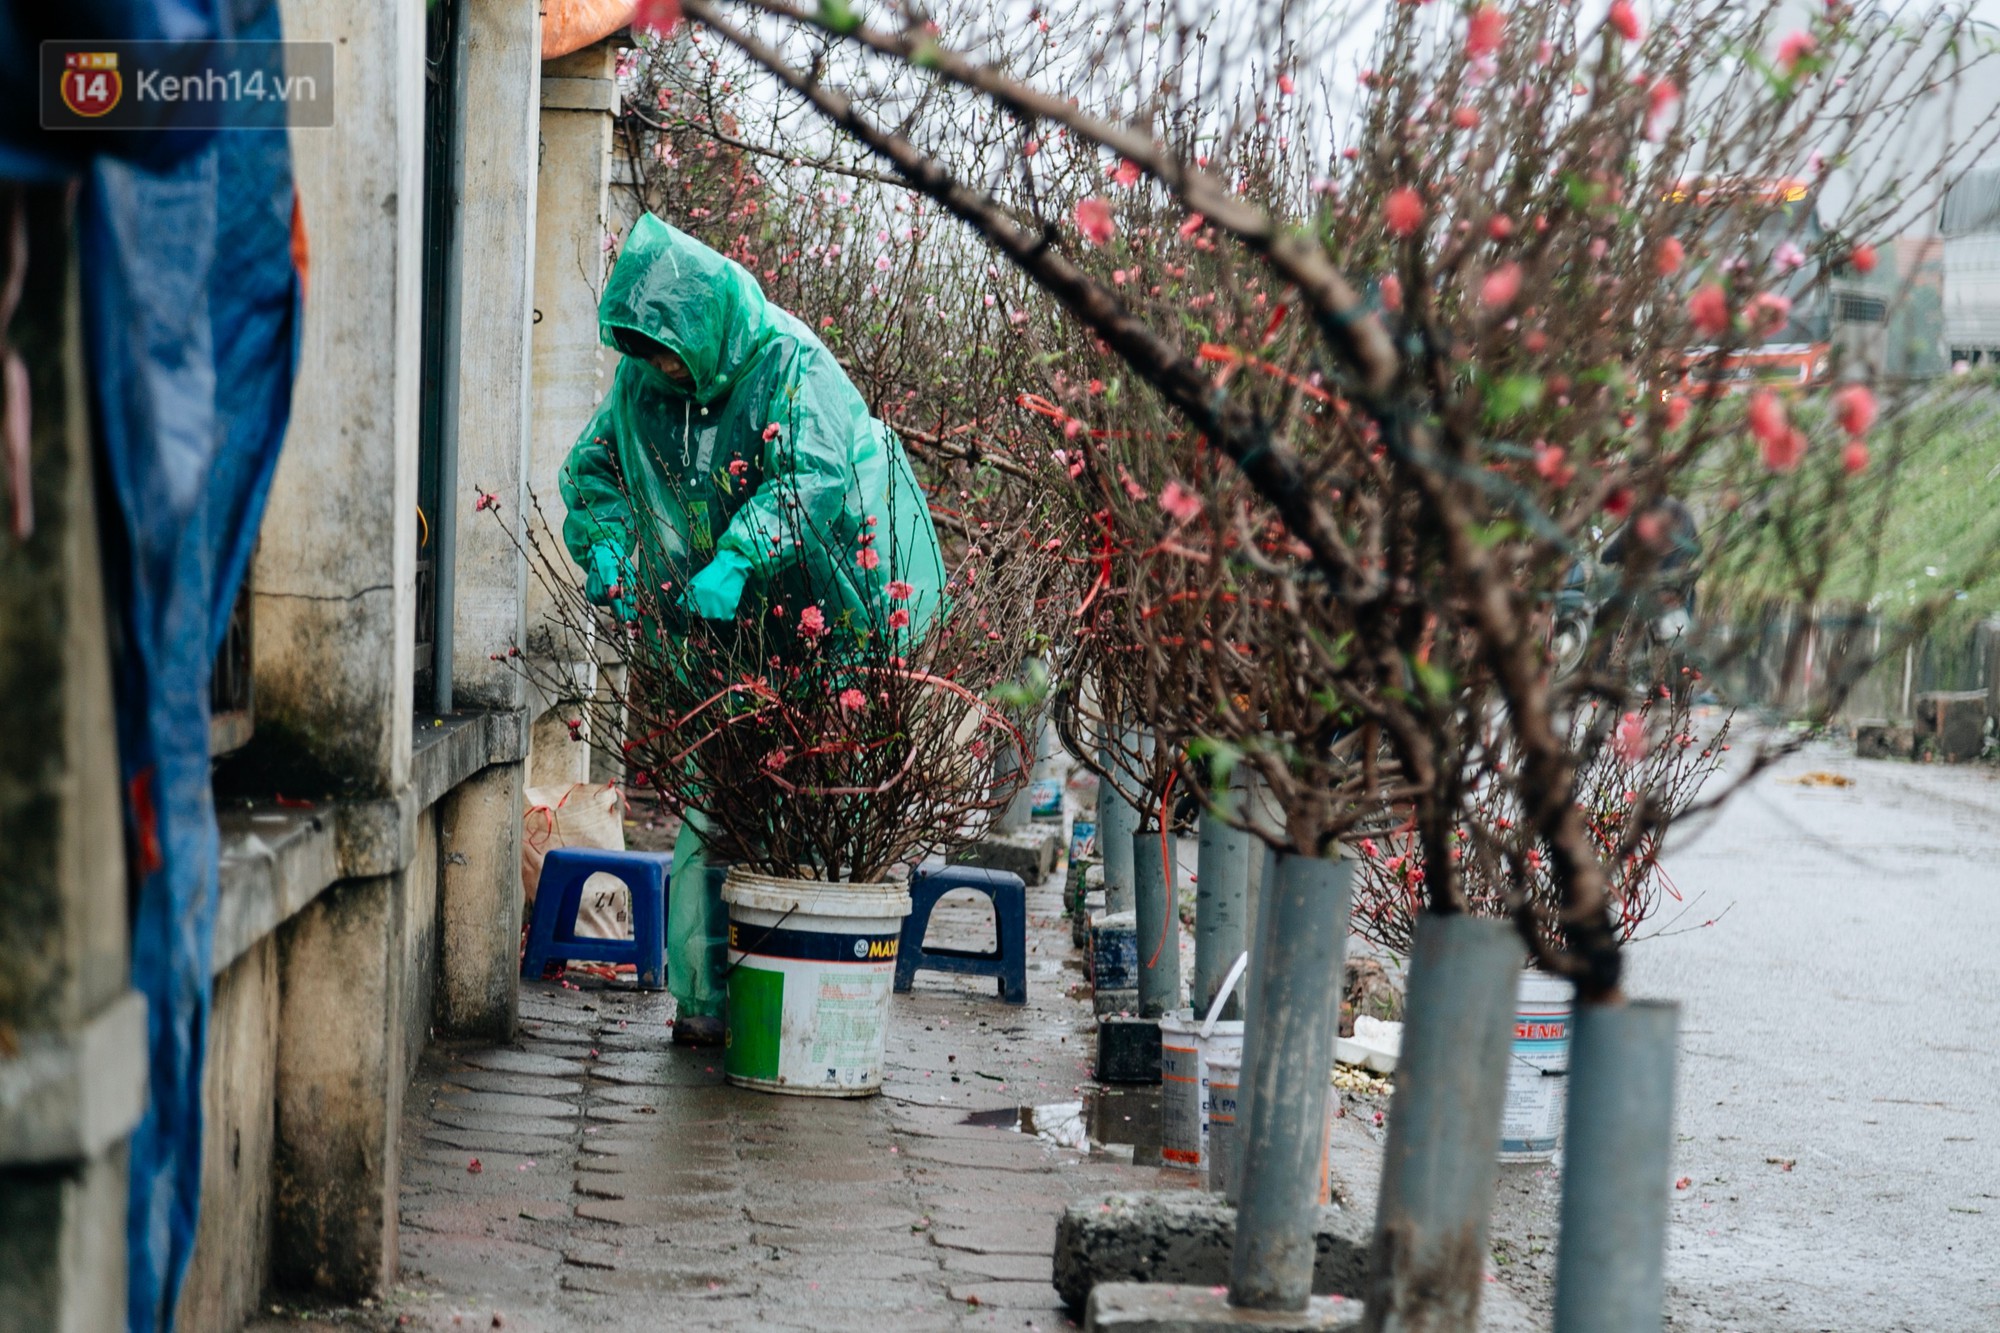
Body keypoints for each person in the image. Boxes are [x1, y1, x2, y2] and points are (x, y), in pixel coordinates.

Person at [560, 215, 944, 1045]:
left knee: (808, 807)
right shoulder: (642, 385)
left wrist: (740, 557)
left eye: (670, 353)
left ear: (705, 328)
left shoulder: (791, 364)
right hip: (713, 636)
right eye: (647, 355)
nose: (660, 370)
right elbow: (594, 467)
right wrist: (608, 543)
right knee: (713, 808)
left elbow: (818, 474)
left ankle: (797, 1001)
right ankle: (704, 1001)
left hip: (824, 623)